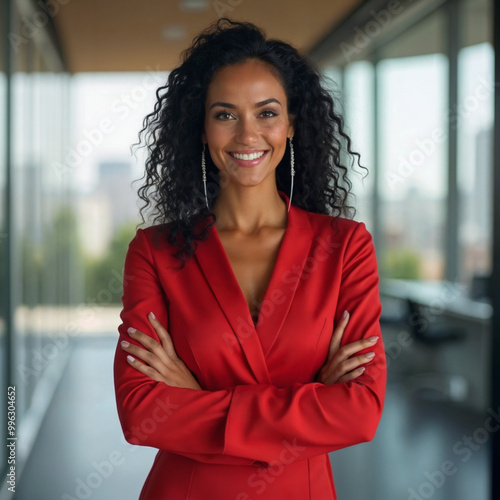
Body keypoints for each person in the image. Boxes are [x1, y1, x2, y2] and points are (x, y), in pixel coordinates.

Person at [113, 18, 386, 500]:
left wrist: (198, 400)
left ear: (292, 123)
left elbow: (361, 411)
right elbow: (139, 412)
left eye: (266, 113)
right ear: (200, 128)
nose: (247, 134)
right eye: (225, 114)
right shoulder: (154, 251)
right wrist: (314, 399)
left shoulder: (345, 247)